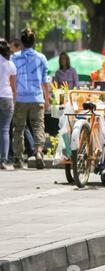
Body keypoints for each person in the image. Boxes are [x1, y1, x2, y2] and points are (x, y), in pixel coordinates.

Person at [11, 28, 50, 170]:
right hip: (36, 97)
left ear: (21, 42)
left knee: (18, 129)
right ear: (34, 42)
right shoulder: (41, 58)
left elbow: (11, 78)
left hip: (20, 98)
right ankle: (39, 152)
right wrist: (47, 98)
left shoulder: (14, 58)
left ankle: (18, 158)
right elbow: (45, 81)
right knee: (38, 126)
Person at [0, 39, 16, 170]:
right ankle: (3, 161)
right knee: (5, 130)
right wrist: (14, 101)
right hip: (7, 97)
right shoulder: (11, 65)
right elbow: (13, 86)